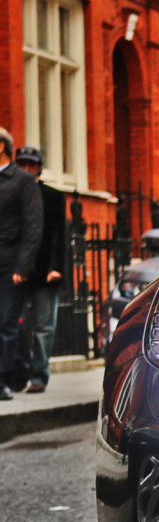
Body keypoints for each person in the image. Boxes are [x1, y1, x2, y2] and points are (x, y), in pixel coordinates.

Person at [14, 146, 68, 394]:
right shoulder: (11, 192)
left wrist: (56, 267)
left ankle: (38, 376)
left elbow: (60, 234)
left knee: (43, 326)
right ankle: (20, 371)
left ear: (38, 167)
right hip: (17, 269)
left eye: (30, 164)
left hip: (46, 269)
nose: (26, 168)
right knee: (14, 323)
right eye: (21, 164)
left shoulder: (53, 195)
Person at [0, 128, 43, 401]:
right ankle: (21, 369)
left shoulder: (23, 181)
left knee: (6, 324)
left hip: (9, 266)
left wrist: (22, 268)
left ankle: (4, 381)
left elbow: (33, 226)